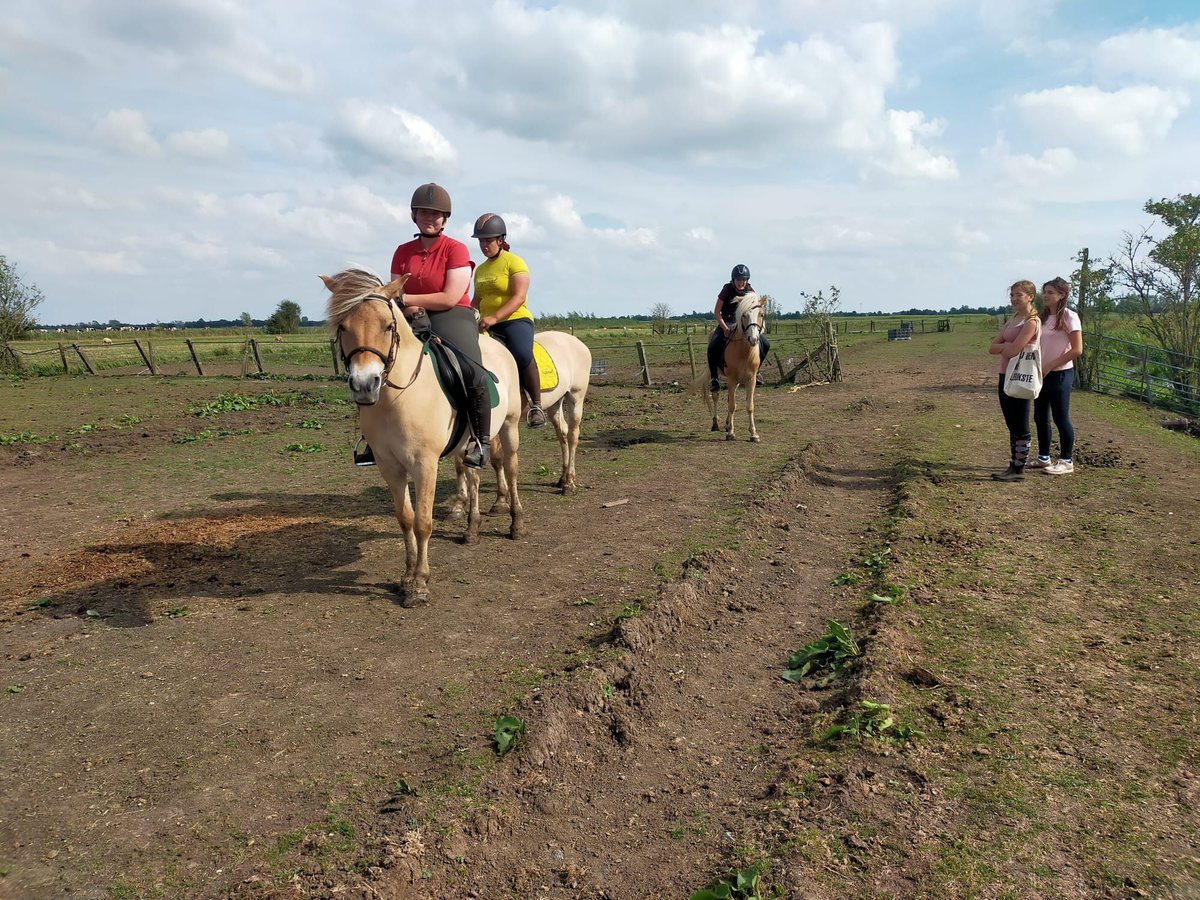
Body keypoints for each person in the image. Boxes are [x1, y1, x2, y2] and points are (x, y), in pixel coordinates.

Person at [354, 182, 491, 469]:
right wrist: (405, 306)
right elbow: (392, 291)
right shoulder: (403, 251)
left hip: (452, 314)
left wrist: (409, 298)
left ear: (445, 218)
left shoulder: (455, 249)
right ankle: (370, 437)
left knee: (472, 370)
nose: (430, 218)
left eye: (436, 214)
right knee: (373, 363)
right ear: (414, 216)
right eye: (424, 213)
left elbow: (451, 296)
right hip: (409, 315)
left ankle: (480, 440)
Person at [471, 213, 546, 428]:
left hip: (514, 320)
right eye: (480, 241)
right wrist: (467, 315)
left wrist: (495, 317)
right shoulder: (481, 269)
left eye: (488, 240)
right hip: (485, 322)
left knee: (522, 354)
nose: (484, 245)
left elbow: (519, 296)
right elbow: (476, 299)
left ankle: (536, 405)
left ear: (501, 240)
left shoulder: (515, 262)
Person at [1029, 276, 1083, 475]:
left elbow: (1077, 349)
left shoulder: (1070, 317)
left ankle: (1066, 461)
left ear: (1062, 295)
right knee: (1040, 416)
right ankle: (1044, 457)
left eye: (1051, 292)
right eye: (1045, 292)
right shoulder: (1041, 318)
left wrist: (1050, 365)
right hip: (1041, 373)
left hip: (1060, 374)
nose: (1046, 296)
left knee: (1061, 417)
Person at [988, 280, 1041, 481]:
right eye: (1012, 295)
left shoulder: (1032, 322)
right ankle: (1014, 464)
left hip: (1021, 376)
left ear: (1030, 297)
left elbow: (1009, 350)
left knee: (1020, 422)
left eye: (1019, 295)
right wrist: (1007, 347)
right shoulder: (1013, 319)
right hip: (1005, 374)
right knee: (1012, 422)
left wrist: (1006, 347)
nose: (1014, 299)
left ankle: (1019, 469)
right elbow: (992, 347)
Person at [707, 263, 770, 391]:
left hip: (744, 324)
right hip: (726, 321)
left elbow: (755, 310)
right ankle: (714, 379)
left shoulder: (750, 292)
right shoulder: (726, 289)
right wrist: (724, 328)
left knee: (766, 344)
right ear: (733, 280)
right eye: (738, 279)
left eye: (744, 279)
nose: (741, 282)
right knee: (713, 344)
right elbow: (717, 311)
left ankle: (756, 372)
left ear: (747, 280)